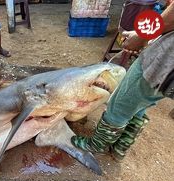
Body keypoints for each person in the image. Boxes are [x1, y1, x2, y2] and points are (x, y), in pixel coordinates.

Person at [71, 2, 174, 161]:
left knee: (120, 104)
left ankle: (98, 145)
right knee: (143, 101)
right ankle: (120, 147)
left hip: (166, 61)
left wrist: (140, 37)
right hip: (169, 78)